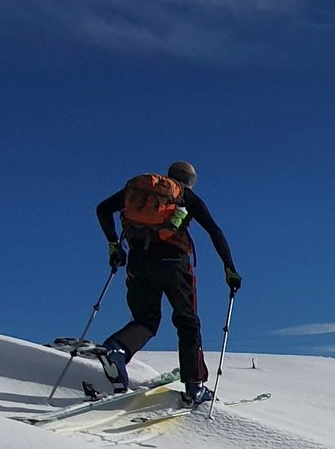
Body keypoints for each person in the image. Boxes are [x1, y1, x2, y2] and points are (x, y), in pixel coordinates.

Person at [94, 161, 240, 405]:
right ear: (190, 180)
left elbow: (103, 209)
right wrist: (229, 268)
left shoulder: (139, 192)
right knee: (187, 321)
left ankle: (117, 349)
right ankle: (195, 386)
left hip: (139, 262)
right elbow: (214, 231)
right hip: (175, 265)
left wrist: (113, 245)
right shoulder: (186, 196)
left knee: (145, 320)